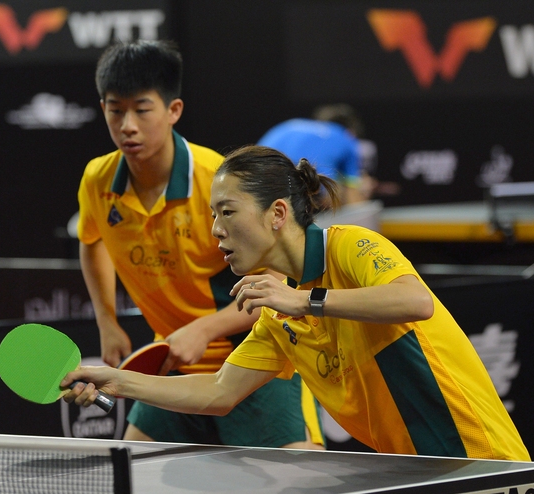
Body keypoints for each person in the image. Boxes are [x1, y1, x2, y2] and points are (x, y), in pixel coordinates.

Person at [65, 145, 530, 460]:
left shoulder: (346, 246)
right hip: (415, 473)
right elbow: (218, 392)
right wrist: (117, 380)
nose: (215, 231)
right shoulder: (275, 314)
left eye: (227, 212)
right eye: (212, 215)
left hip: (479, 462)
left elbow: (415, 301)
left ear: (277, 214)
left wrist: (306, 302)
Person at [76, 41, 324, 449]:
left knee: (299, 482)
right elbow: (92, 241)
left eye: (142, 109)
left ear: (173, 111)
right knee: (126, 476)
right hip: (172, 360)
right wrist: (106, 321)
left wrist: (206, 328)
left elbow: (279, 277)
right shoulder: (97, 180)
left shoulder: (217, 180)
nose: (127, 125)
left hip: (257, 357)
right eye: (114, 109)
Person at [257, 104, 367, 206]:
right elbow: (353, 200)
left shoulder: (291, 125)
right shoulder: (347, 138)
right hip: (281, 184)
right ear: (351, 132)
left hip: (255, 180)